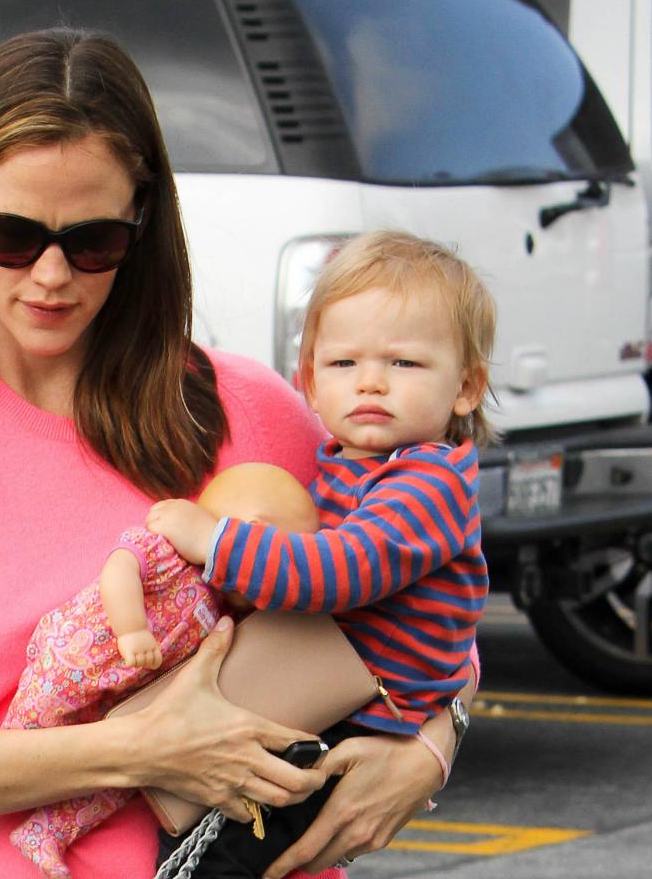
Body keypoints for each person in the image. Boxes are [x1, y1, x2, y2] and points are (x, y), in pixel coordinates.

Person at [0, 29, 465, 879]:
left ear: (142, 221)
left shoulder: (245, 407)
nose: (53, 274)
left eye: (93, 239)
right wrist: (139, 751)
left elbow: (429, 598)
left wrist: (431, 749)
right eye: (12, 235)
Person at [146, 230, 495, 876]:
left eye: (404, 364)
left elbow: (337, 573)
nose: (372, 383)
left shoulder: (429, 481)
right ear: (307, 379)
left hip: (353, 724)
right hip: (323, 699)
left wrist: (212, 540)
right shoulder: (349, 467)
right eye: (344, 365)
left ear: (466, 387)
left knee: (217, 860)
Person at [2, 463, 320, 878]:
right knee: (38, 718)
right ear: (253, 532)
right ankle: (10, 765)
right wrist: (131, 628)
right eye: (283, 563)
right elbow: (119, 569)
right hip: (80, 658)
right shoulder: (166, 551)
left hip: (130, 706)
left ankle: (47, 833)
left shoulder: (220, 604)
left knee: (115, 783)